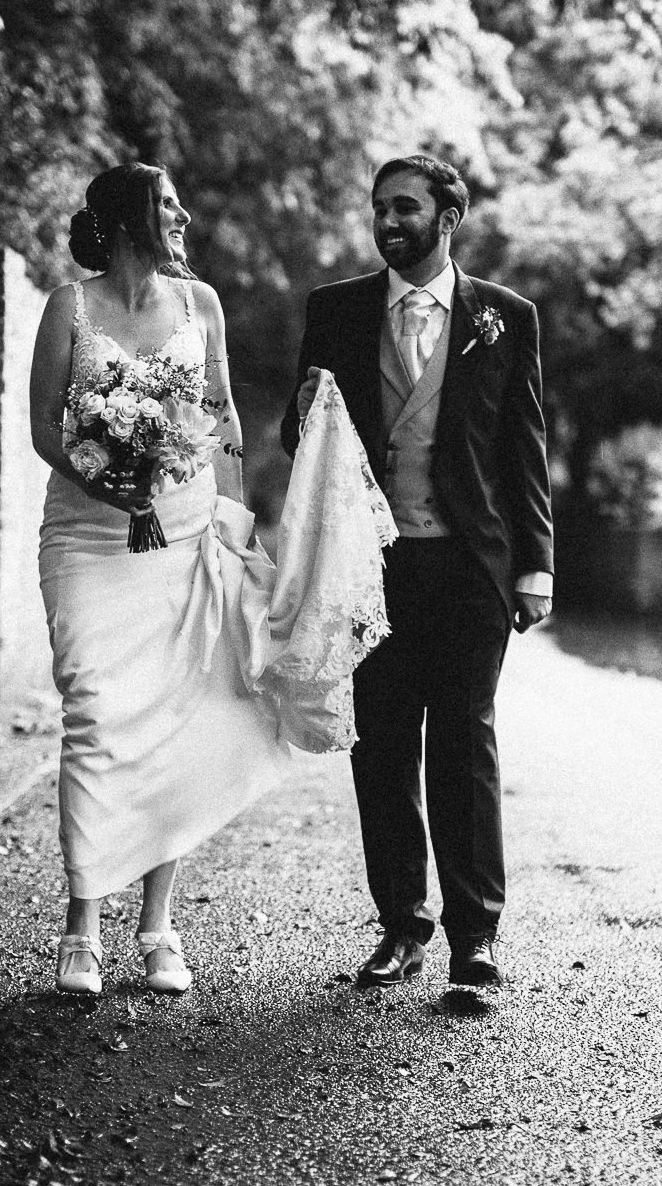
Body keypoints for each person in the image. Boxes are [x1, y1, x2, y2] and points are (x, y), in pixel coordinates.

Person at [280, 153, 554, 989]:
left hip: (472, 563)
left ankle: (475, 936)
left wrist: (536, 565)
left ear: (449, 216)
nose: (387, 220)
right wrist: (298, 419)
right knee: (385, 743)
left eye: (405, 207)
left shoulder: (505, 316)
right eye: (378, 208)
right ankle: (402, 925)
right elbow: (304, 440)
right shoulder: (335, 311)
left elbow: (524, 448)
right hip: (371, 566)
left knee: (463, 741)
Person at [29, 162, 293, 996]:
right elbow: (43, 425)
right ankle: (81, 927)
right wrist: (102, 476)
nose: (182, 213)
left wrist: (237, 528)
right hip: (86, 534)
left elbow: (221, 421)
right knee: (96, 714)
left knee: (175, 715)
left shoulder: (200, 303)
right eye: (167, 202)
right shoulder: (69, 306)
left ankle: (158, 926)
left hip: (183, 532)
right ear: (128, 217)